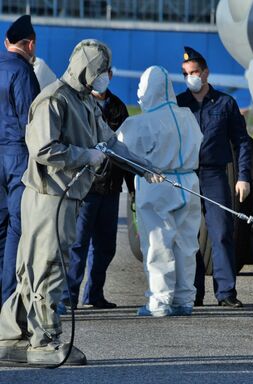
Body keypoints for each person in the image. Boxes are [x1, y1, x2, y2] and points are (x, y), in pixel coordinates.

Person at [0, 39, 160, 366]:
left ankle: (12, 336)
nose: (105, 77)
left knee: (34, 271)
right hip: (49, 197)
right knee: (46, 268)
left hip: (66, 196)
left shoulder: (84, 102)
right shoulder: (53, 100)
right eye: (101, 70)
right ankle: (45, 343)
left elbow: (111, 144)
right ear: (86, 70)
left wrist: (145, 168)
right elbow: (43, 149)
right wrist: (84, 155)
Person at [117, 65, 203, 317]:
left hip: (157, 183)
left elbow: (118, 147)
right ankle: (184, 300)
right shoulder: (187, 116)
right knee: (187, 243)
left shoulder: (141, 122)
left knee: (158, 243)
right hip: (189, 183)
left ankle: (159, 301)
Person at [176, 47, 251, 308]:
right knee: (188, 236)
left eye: (194, 72)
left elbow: (242, 142)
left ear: (206, 73)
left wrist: (243, 177)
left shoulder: (225, 104)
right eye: (186, 74)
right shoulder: (178, 104)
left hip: (214, 175)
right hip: (186, 176)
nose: (191, 77)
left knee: (221, 232)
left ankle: (226, 292)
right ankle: (193, 291)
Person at [59, 68, 135, 313]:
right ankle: (68, 296)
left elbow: (124, 149)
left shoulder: (118, 107)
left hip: (111, 188)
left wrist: (132, 189)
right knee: (78, 244)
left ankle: (94, 293)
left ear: (111, 75)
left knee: (105, 246)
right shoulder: (79, 104)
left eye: (105, 73)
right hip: (86, 188)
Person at [0, 15, 40, 305]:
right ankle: (10, 299)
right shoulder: (24, 72)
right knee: (18, 225)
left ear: (6, 42)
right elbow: (32, 121)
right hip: (16, 155)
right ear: (31, 44)